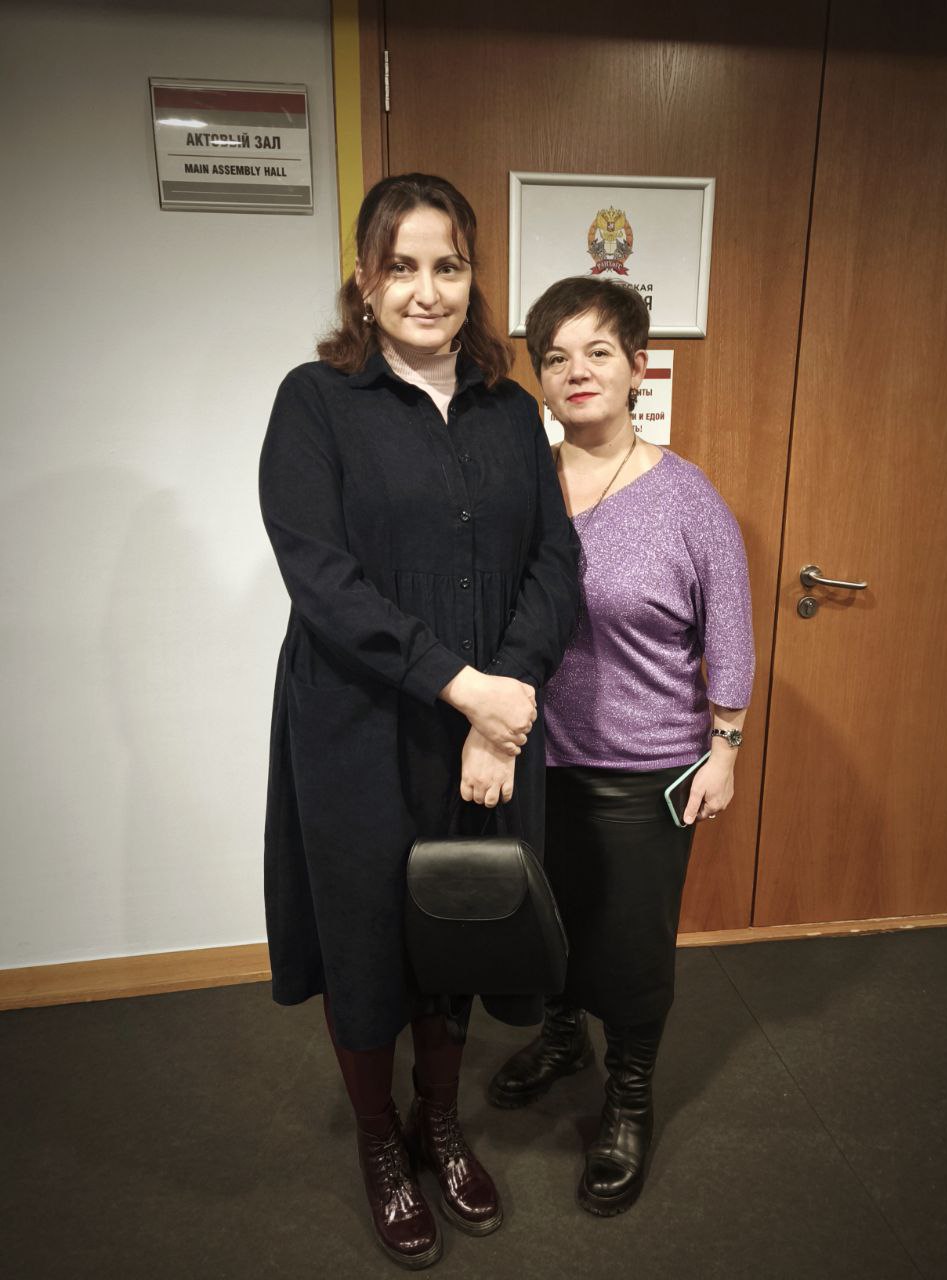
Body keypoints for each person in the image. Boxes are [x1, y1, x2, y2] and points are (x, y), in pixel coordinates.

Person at [259, 174, 580, 1268]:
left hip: (482, 728)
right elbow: (322, 577)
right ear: (365, 279)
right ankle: (378, 1140)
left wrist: (504, 699)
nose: (426, 290)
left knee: (457, 918)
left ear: (472, 277)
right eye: (401, 266)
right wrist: (463, 686)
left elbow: (554, 563)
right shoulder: (316, 401)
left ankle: (438, 1124)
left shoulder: (508, 409)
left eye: (448, 265)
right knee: (364, 934)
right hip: (355, 723)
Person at [488, 277, 755, 1217]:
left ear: (637, 367)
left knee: (632, 949)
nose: (577, 371)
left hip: (645, 771)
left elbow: (731, 631)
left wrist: (724, 748)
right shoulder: (521, 488)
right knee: (547, 925)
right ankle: (564, 1038)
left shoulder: (686, 497)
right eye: (555, 357)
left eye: (597, 352)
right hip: (533, 759)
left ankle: (629, 1096)